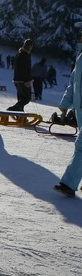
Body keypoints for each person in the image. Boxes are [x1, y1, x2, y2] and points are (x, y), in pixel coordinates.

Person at [54, 53, 82, 197]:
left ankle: (69, 184)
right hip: (79, 108)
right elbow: (74, 81)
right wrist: (66, 103)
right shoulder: (81, 56)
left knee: (81, 146)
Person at [7, 39, 33, 112]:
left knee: (21, 98)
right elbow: (27, 68)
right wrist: (28, 80)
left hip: (16, 79)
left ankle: (20, 115)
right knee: (26, 98)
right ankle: (14, 108)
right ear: (30, 46)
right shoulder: (25, 54)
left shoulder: (19, 53)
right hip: (23, 80)